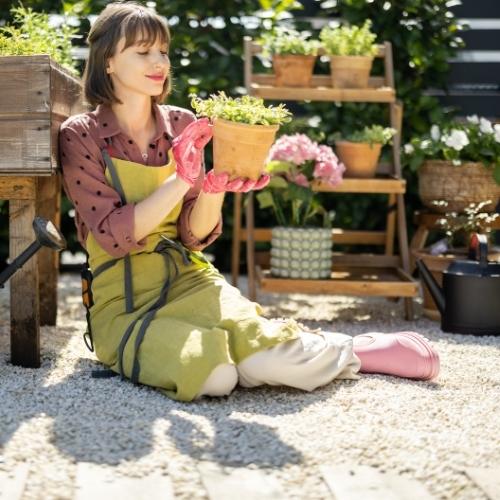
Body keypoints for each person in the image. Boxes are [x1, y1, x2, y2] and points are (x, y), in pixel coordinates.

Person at [59, 1, 440, 403]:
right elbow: (112, 235)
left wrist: (214, 184)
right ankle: (248, 351)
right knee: (213, 377)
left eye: (163, 51)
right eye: (142, 52)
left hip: (190, 283)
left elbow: (194, 234)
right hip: (124, 302)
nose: (159, 62)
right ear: (108, 62)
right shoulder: (81, 135)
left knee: (270, 360)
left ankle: (360, 350)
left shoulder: (182, 125)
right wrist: (179, 180)